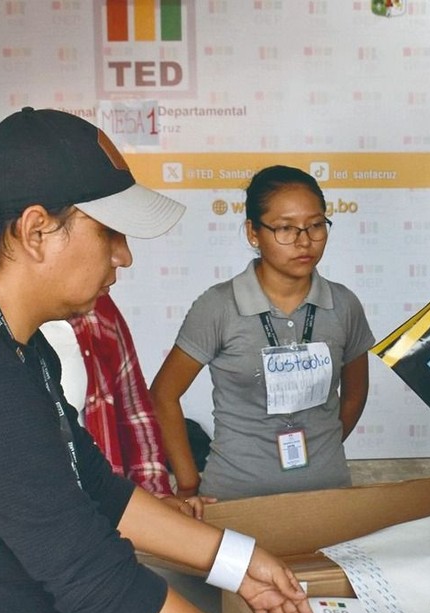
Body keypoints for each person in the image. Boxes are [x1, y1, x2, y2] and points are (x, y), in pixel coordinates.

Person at [0, 108, 315, 613]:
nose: (124, 256)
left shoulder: (5, 335)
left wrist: (239, 563)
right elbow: (98, 582)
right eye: (110, 233)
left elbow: (91, 484)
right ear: (37, 231)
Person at [151, 165, 374, 501]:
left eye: (315, 226)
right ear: (253, 233)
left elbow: (356, 393)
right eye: (285, 228)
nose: (304, 241)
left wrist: (323, 445)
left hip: (328, 494)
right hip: (234, 496)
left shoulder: (343, 305)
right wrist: (186, 484)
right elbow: (163, 395)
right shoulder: (219, 306)